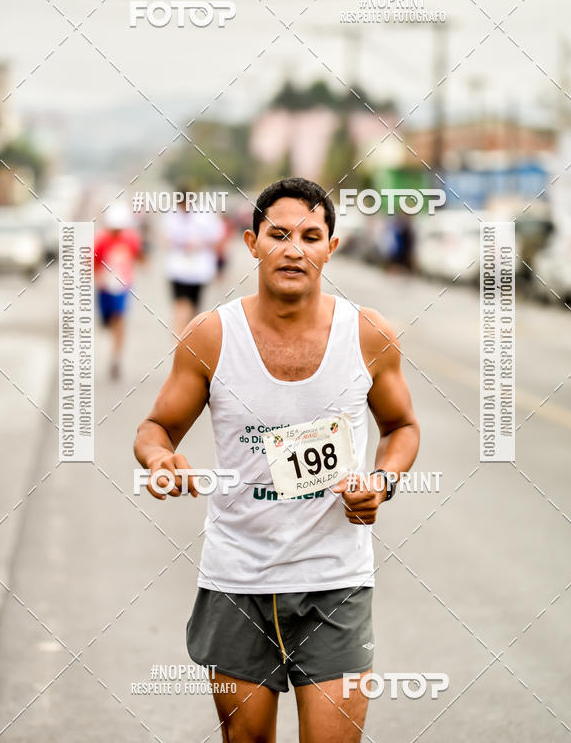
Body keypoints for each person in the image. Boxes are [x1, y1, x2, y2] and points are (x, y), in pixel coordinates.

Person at [134, 177, 420, 743]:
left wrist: (382, 482)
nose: (294, 249)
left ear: (331, 248)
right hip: (238, 578)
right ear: (252, 242)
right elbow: (156, 427)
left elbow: (402, 427)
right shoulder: (211, 337)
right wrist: (160, 459)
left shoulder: (367, 335)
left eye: (311, 236)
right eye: (280, 234)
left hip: (335, 578)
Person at [163, 185, 225, 336]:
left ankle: (189, 338)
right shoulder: (172, 215)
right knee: (181, 305)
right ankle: (179, 339)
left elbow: (218, 239)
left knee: (195, 308)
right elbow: (165, 239)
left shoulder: (205, 215)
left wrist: (201, 245)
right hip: (178, 269)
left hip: (199, 270)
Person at [94, 202, 143, 380]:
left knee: (119, 320)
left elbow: (140, 255)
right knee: (109, 321)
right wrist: (97, 279)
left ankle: (116, 357)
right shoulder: (101, 240)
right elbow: (92, 264)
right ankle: (108, 326)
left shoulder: (130, 239)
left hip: (123, 286)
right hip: (105, 287)